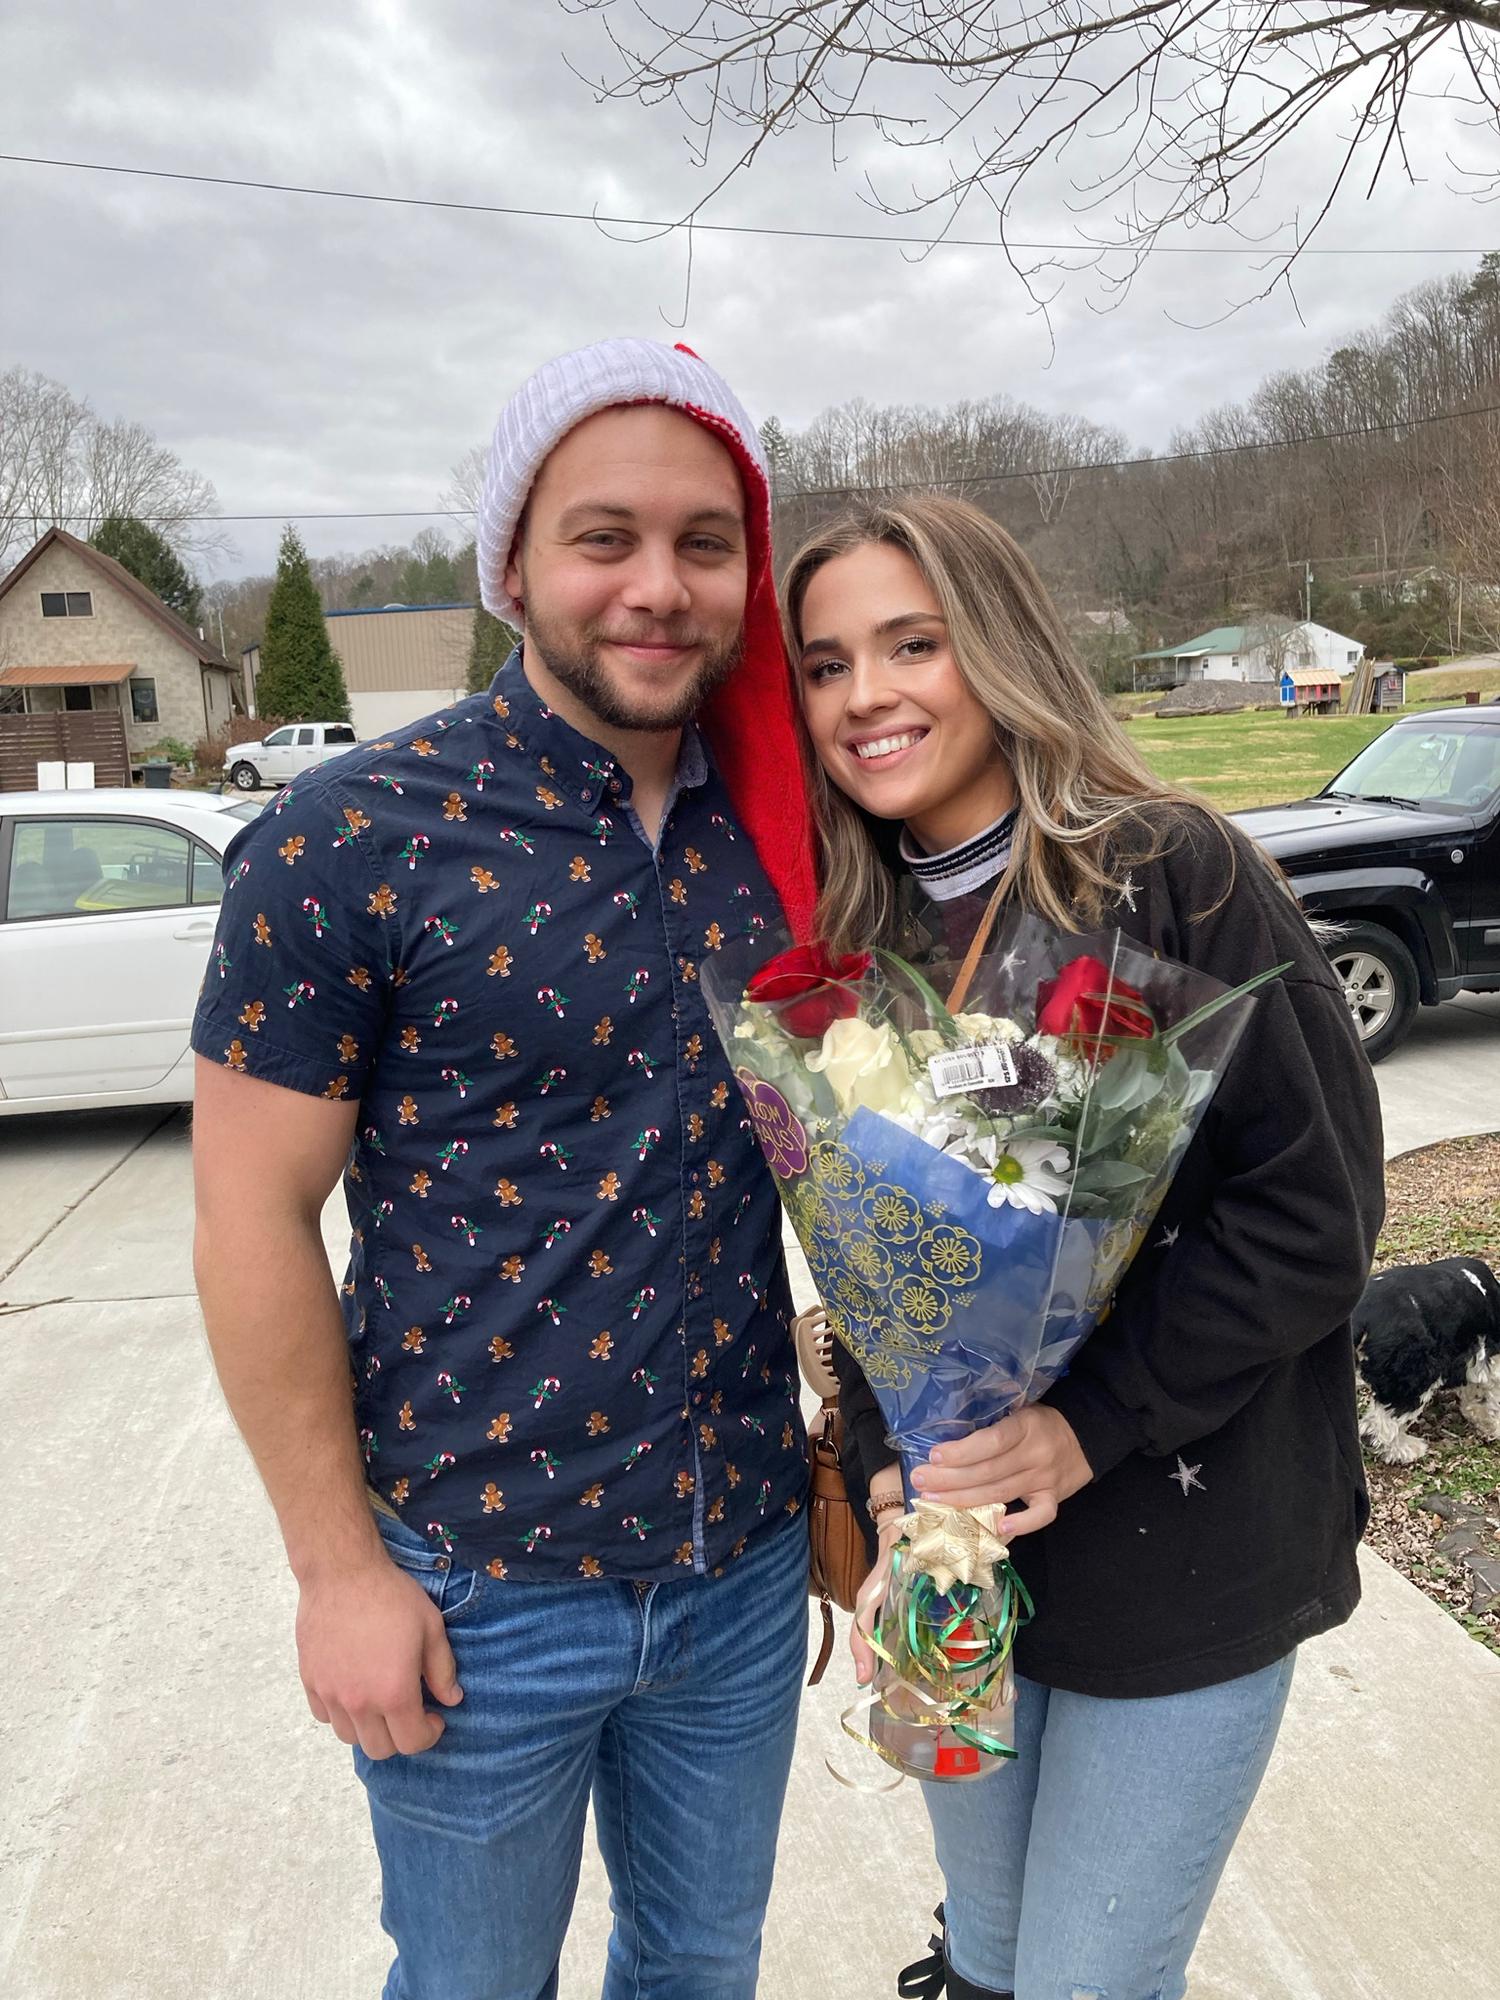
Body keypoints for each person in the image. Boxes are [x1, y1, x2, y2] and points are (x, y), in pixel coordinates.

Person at [190, 337, 820, 2000]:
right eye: (603, 537)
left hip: (742, 1567)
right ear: (515, 565)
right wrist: (337, 1572)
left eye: (705, 543)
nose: (658, 587)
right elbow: (249, 1212)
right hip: (474, 1590)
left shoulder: (788, 823)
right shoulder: (347, 839)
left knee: (701, 1965)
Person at [780, 494, 1384, 2000]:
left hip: (1184, 1555)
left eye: (912, 643)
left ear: (1000, 645)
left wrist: (1082, 1424)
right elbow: (870, 1269)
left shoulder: (1169, 871)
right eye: (826, 661)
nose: (868, 696)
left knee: (1087, 1982)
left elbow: (1317, 1214)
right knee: (985, 1958)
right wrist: (881, 1490)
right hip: (945, 1568)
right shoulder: (836, 944)